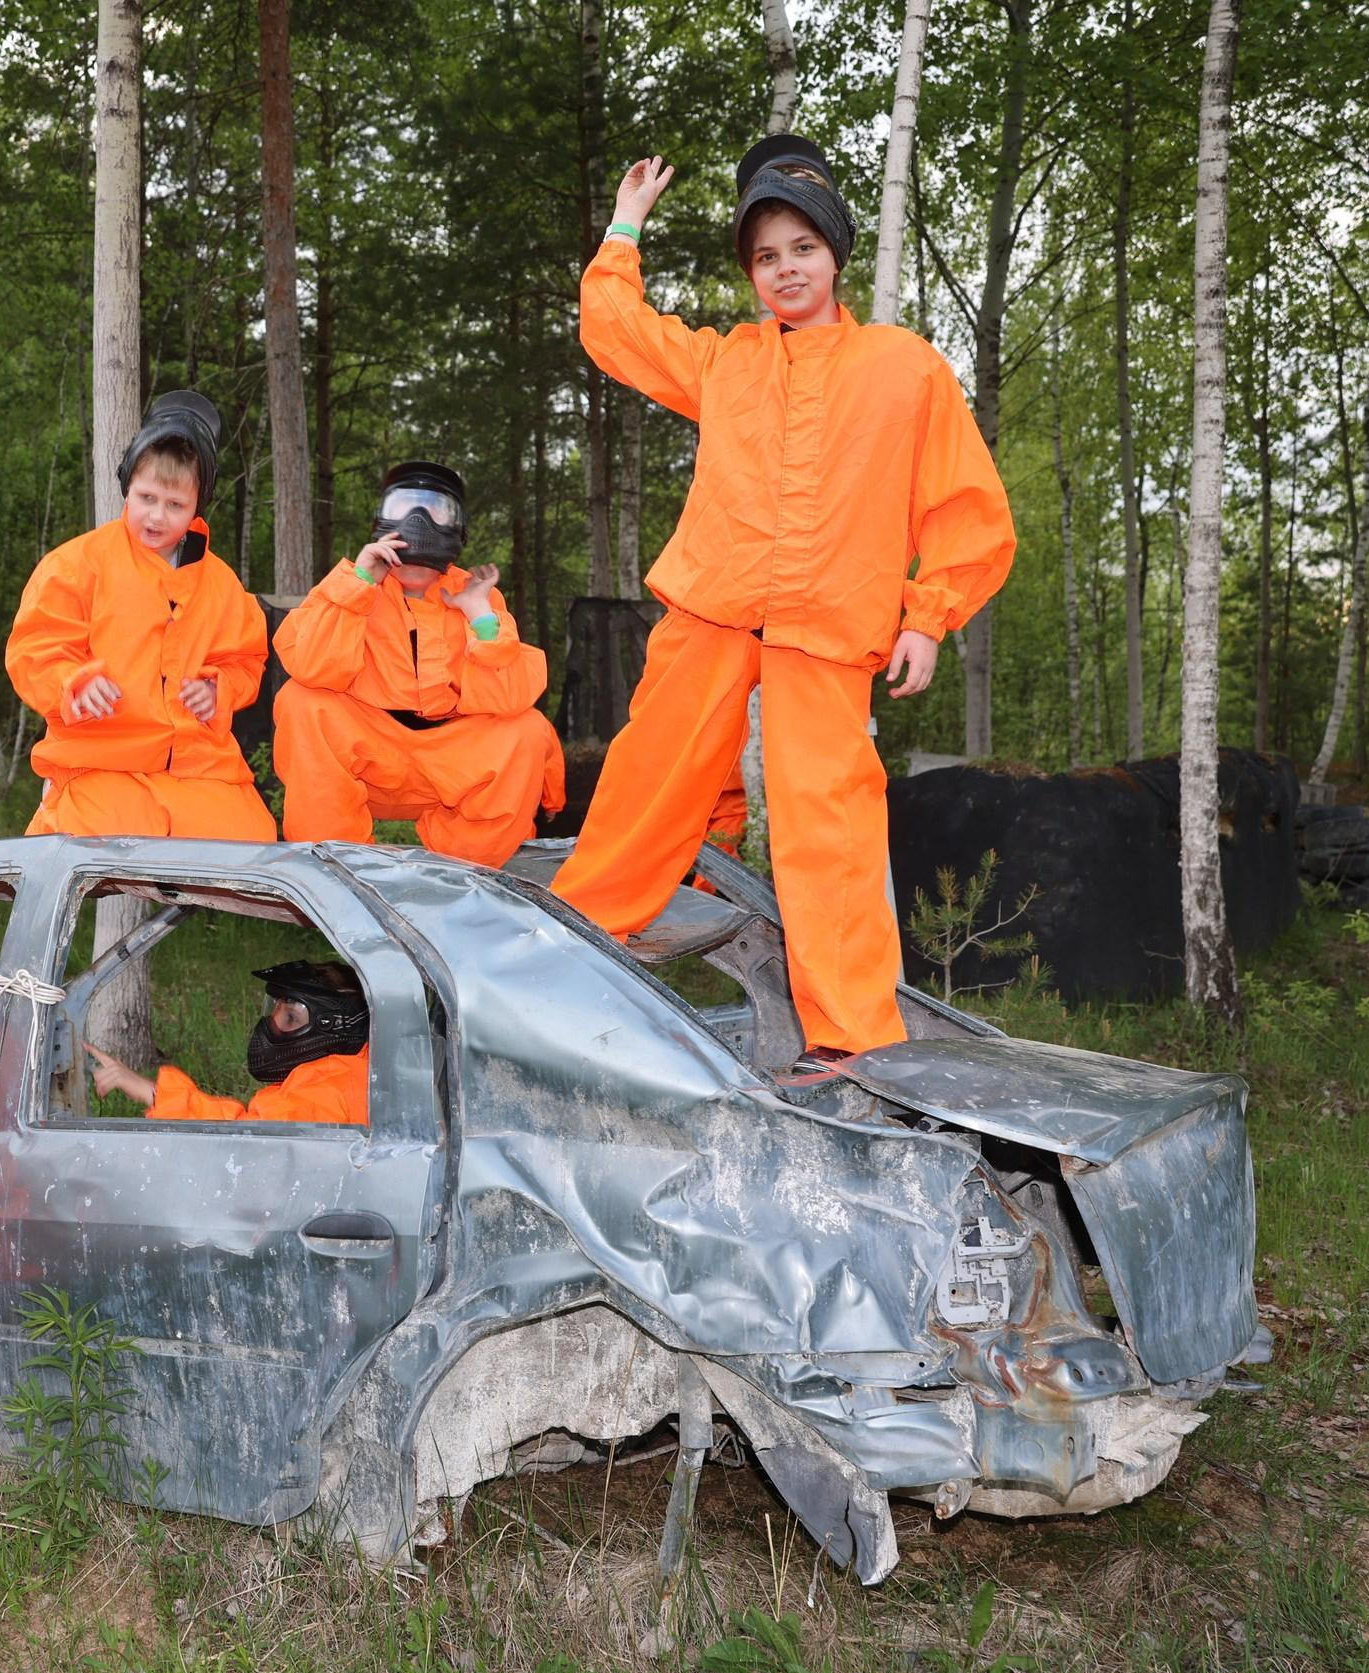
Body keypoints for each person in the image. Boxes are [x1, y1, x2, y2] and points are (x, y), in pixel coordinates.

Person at [554, 137, 1014, 1061]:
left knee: (829, 824)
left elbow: (967, 506)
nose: (785, 270)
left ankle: (848, 1041)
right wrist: (624, 226)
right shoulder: (727, 363)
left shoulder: (903, 367)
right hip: (711, 610)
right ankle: (569, 952)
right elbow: (617, 331)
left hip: (829, 631)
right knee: (647, 783)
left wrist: (929, 618)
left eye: (802, 247)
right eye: (766, 256)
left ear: (836, 254)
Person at [5, 390, 277, 841]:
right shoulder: (78, 564)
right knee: (92, 841)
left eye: (175, 505)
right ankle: (59, 800)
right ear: (126, 488)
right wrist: (75, 682)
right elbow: (34, 651)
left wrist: (219, 688)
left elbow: (247, 659)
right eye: (146, 497)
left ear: (197, 508)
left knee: (254, 844)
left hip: (199, 770)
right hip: (103, 761)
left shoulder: (222, 584)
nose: (156, 516)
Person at [270, 463, 567, 866]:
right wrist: (359, 584)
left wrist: (479, 612)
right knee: (302, 701)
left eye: (434, 509)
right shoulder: (352, 582)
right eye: (405, 506)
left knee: (528, 730)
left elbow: (509, 697)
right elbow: (309, 665)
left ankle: (464, 870)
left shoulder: (475, 593)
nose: (417, 521)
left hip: (448, 762)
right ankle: (339, 866)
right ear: (382, 521)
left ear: (456, 528)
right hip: (369, 753)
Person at [83, 959, 368, 1123]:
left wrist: (152, 1093)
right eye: (273, 1012)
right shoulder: (358, 1072)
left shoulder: (329, 1091)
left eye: (290, 1018)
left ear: (334, 1025)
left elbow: (245, 1143)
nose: (271, 1027)